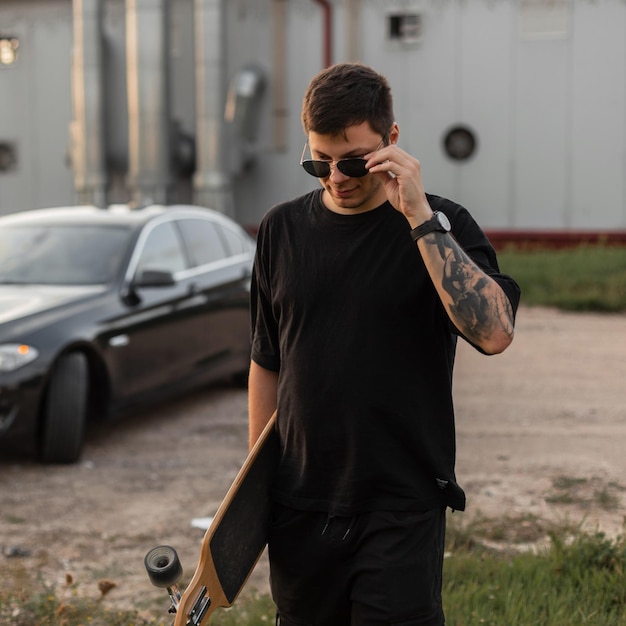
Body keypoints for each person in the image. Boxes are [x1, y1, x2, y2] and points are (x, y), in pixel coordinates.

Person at [248, 62, 520, 626]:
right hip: (301, 506)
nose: (335, 178)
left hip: (400, 504)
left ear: (391, 142)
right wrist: (255, 491)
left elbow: (494, 333)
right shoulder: (279, 230)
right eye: (317, 163)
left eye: (352, 162)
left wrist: (420, 217)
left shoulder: (445, 225)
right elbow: (267, 361)